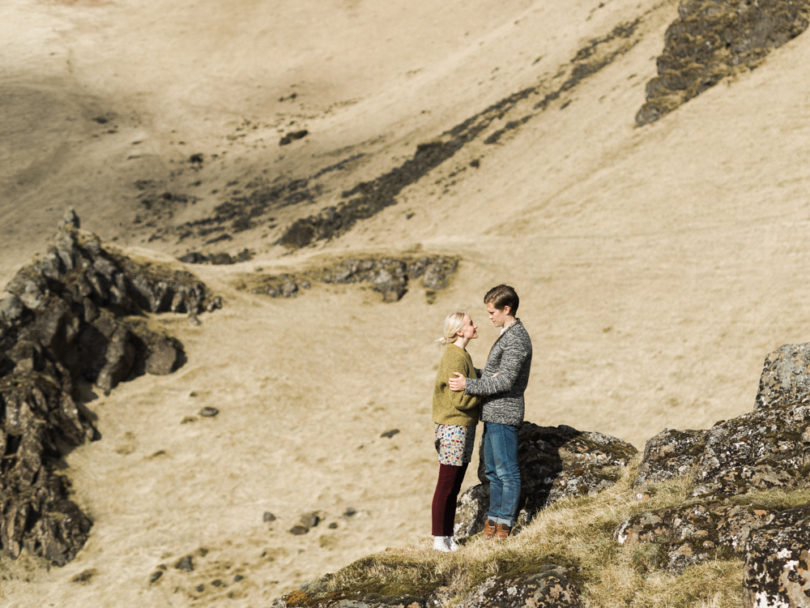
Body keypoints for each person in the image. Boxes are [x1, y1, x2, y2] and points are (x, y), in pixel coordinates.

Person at [449, 284, 532, 540]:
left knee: (507, 471)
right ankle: (493, 522)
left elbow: (505, 381)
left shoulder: (517, 339)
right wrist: (477, 374)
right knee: (493, 472)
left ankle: (504, 524)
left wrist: (468, 385)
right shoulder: (508, 334)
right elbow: (498, 376)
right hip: (493, 413)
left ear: (506, 309)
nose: (489, 317)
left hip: (504, 414)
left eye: (492, 312)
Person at [431, 311, 481, 552]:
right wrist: (482, 394)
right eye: (471, 323)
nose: (475, 326)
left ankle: (447, 536)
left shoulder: (462, 354)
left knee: (454, 484)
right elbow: (459, 400)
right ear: (459, 331)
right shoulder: (454, 357)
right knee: (447, 484)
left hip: (463, 426)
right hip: (454, 427)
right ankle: (439, 538)